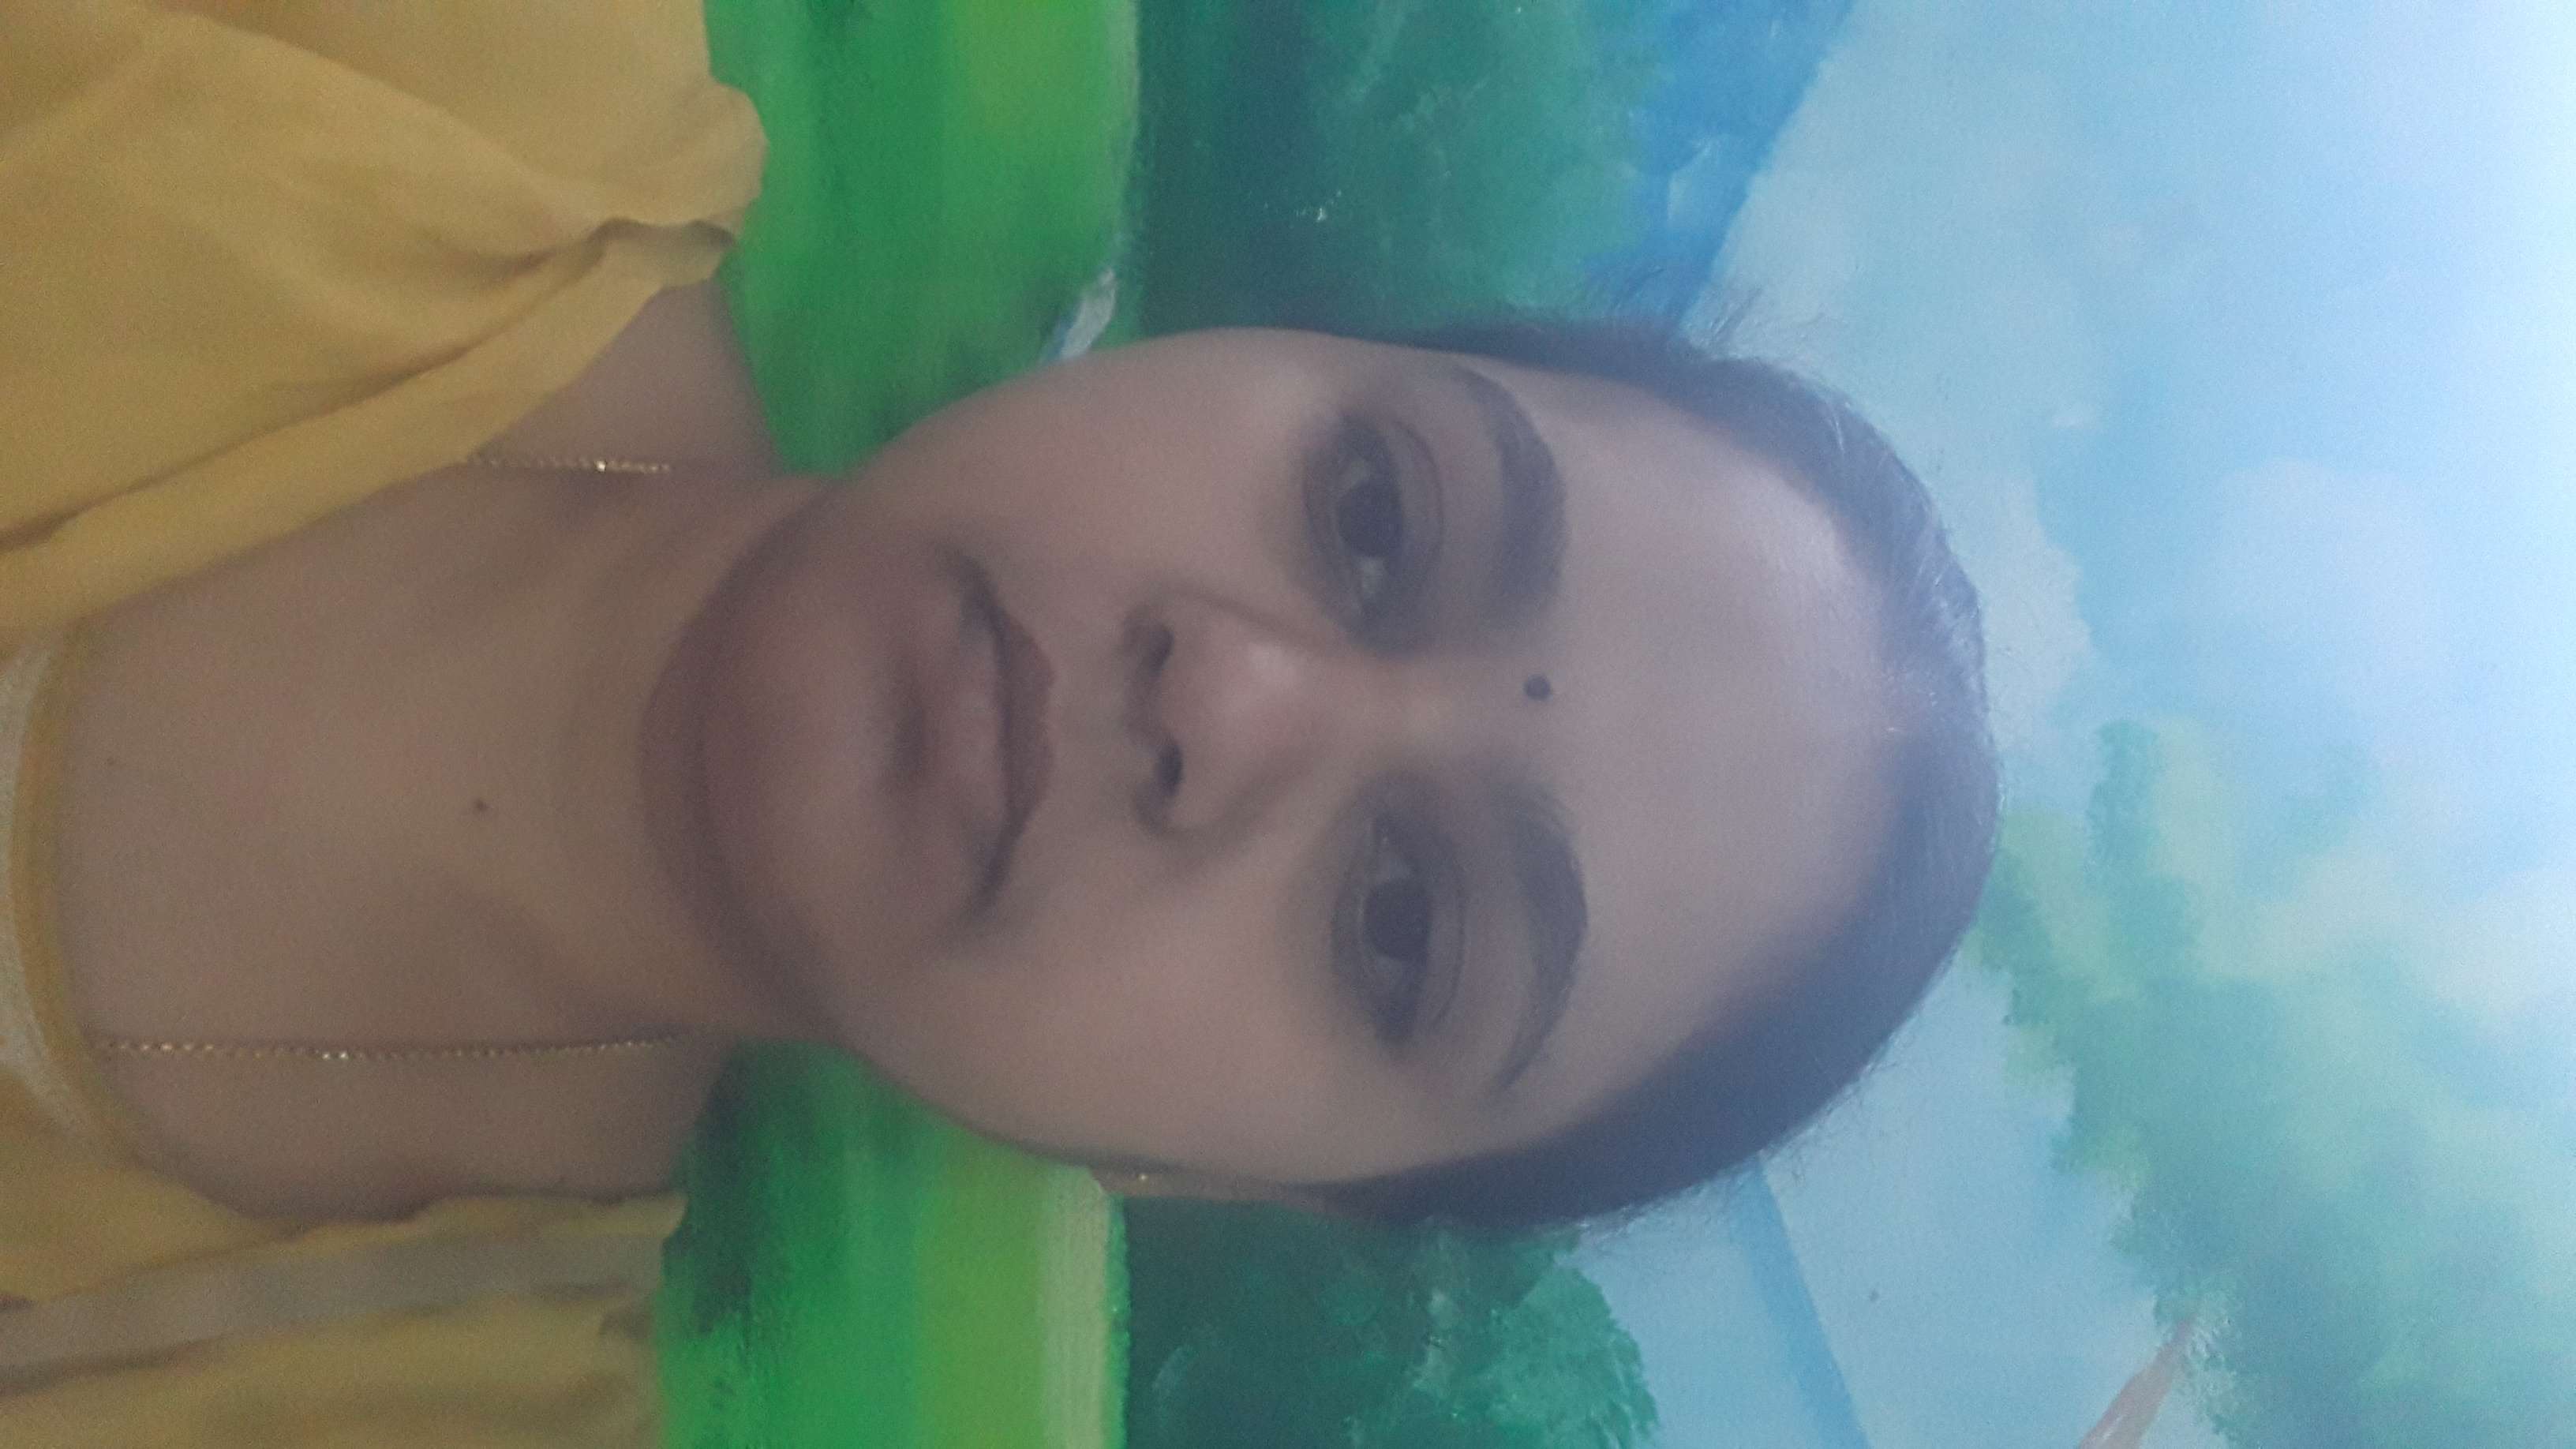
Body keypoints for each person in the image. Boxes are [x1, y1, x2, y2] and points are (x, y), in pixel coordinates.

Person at [1, 1, 1995, 1443]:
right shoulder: (444, 72)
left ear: (1224, 1184)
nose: (1234, 695)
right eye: (1376, 514)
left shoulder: (379, 1405)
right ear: (1267, 347)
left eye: (1402, 926)